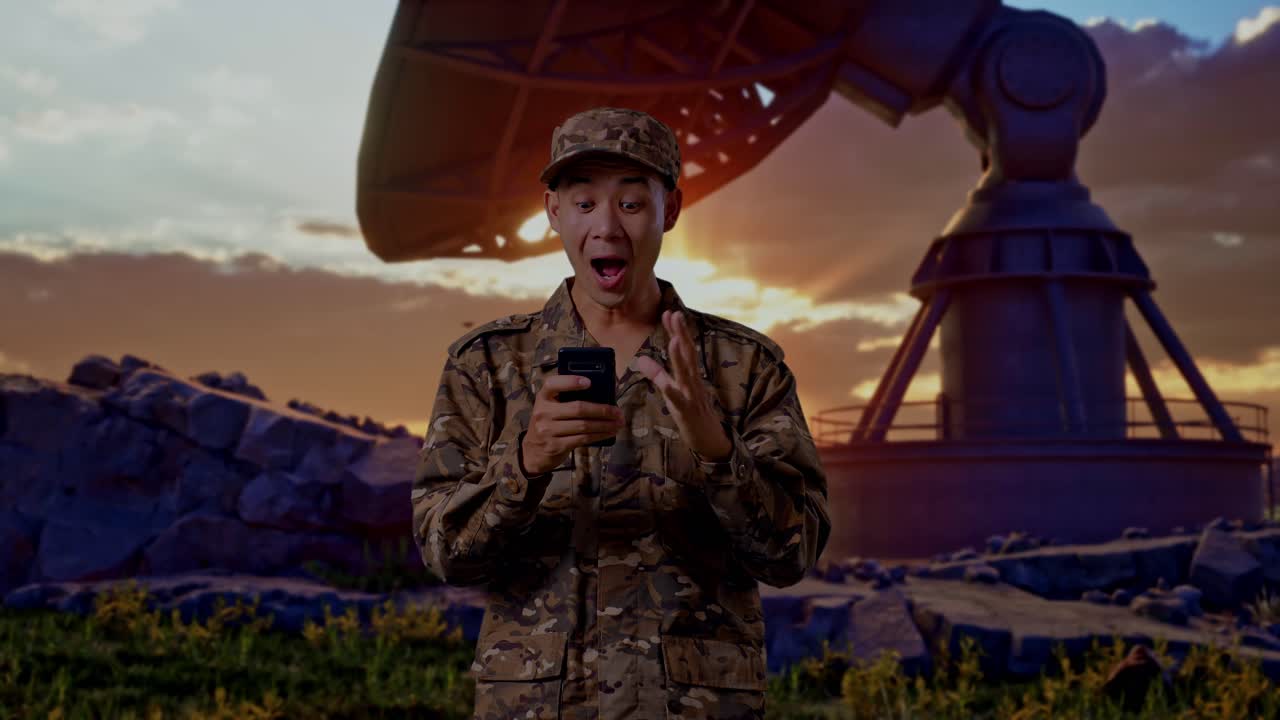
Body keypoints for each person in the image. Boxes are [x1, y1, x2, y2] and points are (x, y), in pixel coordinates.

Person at [411, 106, 831, 720]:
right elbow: (446, 554)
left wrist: (718, 453)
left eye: (632, 204)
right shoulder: (487, 366)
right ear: (553, 212)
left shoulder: (746, 366)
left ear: (672, 209)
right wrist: (524, 466)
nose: (606, 227)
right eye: (584, 204)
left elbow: (791, 557)